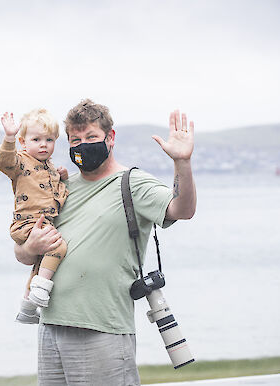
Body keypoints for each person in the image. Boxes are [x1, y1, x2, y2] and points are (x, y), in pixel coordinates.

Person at [14, 99, 197, 385]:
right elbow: (23, 253)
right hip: (50, 327)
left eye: (91, 137)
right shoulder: (61, 188)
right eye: (76, 139)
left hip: (102, 330)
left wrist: (181, 162)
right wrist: (29, 247)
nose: (83, 145)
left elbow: (182, 209)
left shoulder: (133, 183)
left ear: (110, 138)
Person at [0, 108, 69, 324]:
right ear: (23, 142)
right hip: (28, 224)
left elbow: (56, 195)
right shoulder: (20, 161)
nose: (43, 144)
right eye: (36, 139)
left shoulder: (50, 167)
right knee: (58, 247)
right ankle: (41, 292)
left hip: (38, 223)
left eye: (49, 139)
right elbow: (5, 162)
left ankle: (28, 307)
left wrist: (61, 178)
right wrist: (9, 137)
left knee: (41, 265)